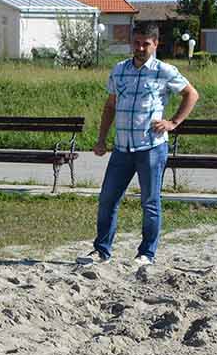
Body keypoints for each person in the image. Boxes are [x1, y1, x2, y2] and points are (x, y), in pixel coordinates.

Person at [80, 24, 199, 268]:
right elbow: (110, 105)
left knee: (150, 201)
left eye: (146, 43)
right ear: (131, 43)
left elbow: (191, 94)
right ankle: (101, 249)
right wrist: (101, 139)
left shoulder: (163, 71)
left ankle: (146, 253)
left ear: (156, 44)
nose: (140, 48)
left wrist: (173, 122)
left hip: (151, 148)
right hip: (122, 148)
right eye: (137, 43)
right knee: (107, 199)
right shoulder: (119, 70)